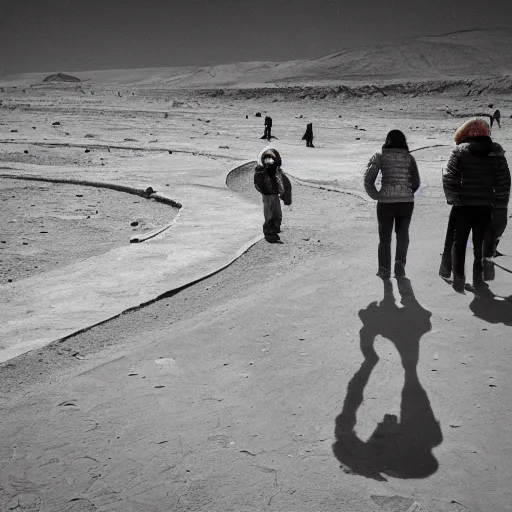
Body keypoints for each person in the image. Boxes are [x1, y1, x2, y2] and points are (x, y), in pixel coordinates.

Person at [441, 118, 510, 292]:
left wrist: (453, 198)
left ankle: (458, 280)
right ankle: (478, 281)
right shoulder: (497, 154)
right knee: (480, 245)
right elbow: (503, 183)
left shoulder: (459, 151)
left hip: (462, 206)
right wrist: (500, 204)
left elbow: (449, 177)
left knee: (459, 243)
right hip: (485, 206)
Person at [364, 130, 420, 279]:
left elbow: (368, 179)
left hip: (386, 203)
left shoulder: (380, 156)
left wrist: (376, 195)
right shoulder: (410, 158)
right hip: (406, 203)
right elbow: (416, 182)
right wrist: (407, 193)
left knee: (384, 237)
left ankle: (384, 269)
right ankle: (399, 265)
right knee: (402, 234)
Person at [254, 147, 292, 243]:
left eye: (271, 160)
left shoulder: (277, 172)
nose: (269, 162)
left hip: (274, 194)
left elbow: (284, 184)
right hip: (268, 195)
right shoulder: (261, 172)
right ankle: (270, 234)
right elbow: (259, 183)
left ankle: (274, 229)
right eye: (267, 160)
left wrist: (285, 197)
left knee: (277, 214)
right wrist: (266, 190)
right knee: (270, 215)